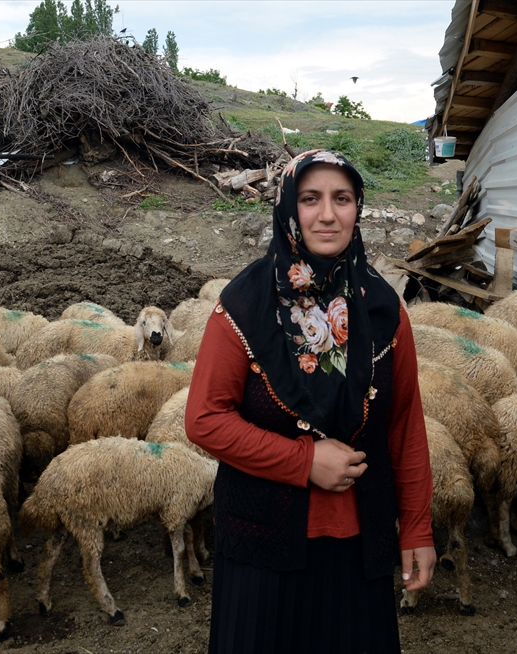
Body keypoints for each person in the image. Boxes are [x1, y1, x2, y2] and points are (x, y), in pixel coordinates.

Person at [185, 149, 435, 654]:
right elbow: (205, 420)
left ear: (357, 208)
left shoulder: (383, 310)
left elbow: (404, 426)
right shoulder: (244, 304)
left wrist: (416, 526)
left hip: (357, 540)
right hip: (261, 544)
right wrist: (304, 461)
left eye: (341, 199)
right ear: (288, 208)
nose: (327, 214)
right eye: (310, 199)